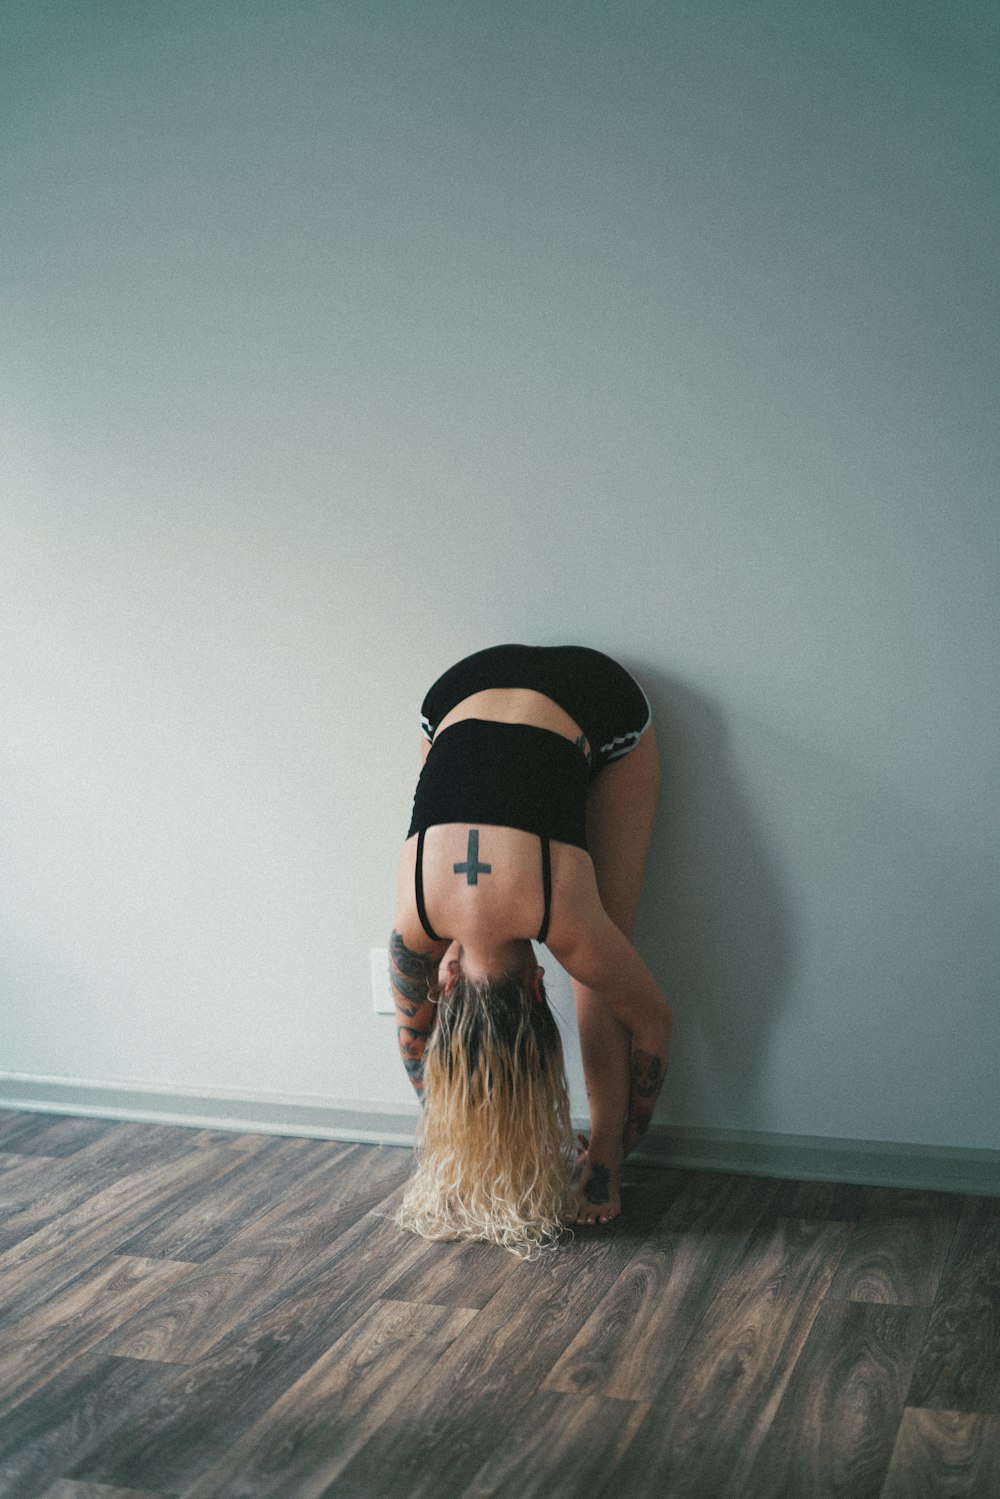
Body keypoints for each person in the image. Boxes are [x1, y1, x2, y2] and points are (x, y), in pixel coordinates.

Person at [389, 644, 672, 1257]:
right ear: (448, 979)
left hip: (598, 698)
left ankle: (602, 1166)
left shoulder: (559, 915)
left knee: (603, 962)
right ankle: (602, 1161)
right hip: (454, 692)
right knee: (599, 961)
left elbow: (651, 1022)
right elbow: (413, 1041)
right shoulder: (416, 920)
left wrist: (612, 1153)